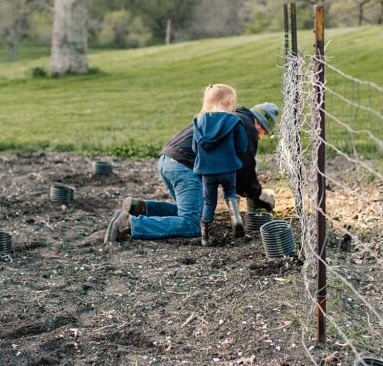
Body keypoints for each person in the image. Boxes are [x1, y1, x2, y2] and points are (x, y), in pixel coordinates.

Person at [104, 99, 279, 244]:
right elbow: (243, 170)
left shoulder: (224, 115)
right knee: (193, 224)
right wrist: (257, 194)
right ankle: (129, 225)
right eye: (263, 133)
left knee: (190, 212)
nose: (260, 137)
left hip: (167, 160)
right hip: (185, 167)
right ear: (259, 123)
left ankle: (140, 208)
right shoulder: (246, 127)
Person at [192, 84, 247, 246]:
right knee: (230, 193)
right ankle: (236, 219)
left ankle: (205, 237)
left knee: (209, 202)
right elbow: (242, 146)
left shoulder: (199, 120)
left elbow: (195, 147)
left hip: (206, 171)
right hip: (228, 167)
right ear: (229, 101)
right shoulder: (234, 121)